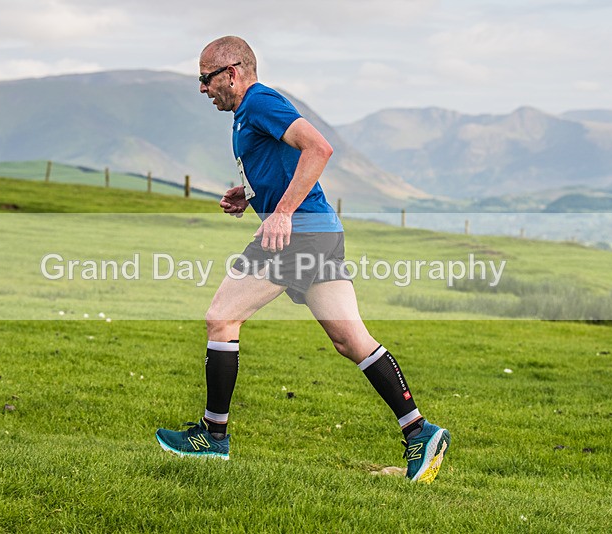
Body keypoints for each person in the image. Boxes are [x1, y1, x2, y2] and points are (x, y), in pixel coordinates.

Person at [155, 36, 450, 483]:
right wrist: (252, 192)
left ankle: (213, 437)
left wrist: (282, 213)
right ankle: (419, 431)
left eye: (205, 78)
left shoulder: (258, 102)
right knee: (352, 342)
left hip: (300, 235)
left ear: (231, 73)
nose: (202, 88)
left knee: (221, 317)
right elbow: (287, 162)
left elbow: (319, 148)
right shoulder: (245, 115)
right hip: (322, 234)